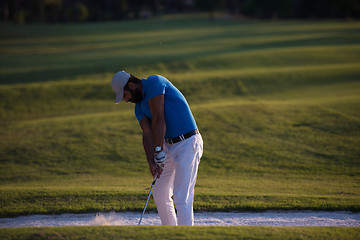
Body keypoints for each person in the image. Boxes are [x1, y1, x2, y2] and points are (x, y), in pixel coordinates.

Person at [111, 71, 203, 225]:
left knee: (182, 196)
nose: (126, 100)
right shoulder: (138, 108)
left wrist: (158, 150)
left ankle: (185, 235)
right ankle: (171, 233)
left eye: (125, 95)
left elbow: (159, 119)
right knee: (160, 194)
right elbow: (147, 134)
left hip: (187, 143)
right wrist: (151, 161)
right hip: (167, 146)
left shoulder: (154, 82)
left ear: (132, 86)